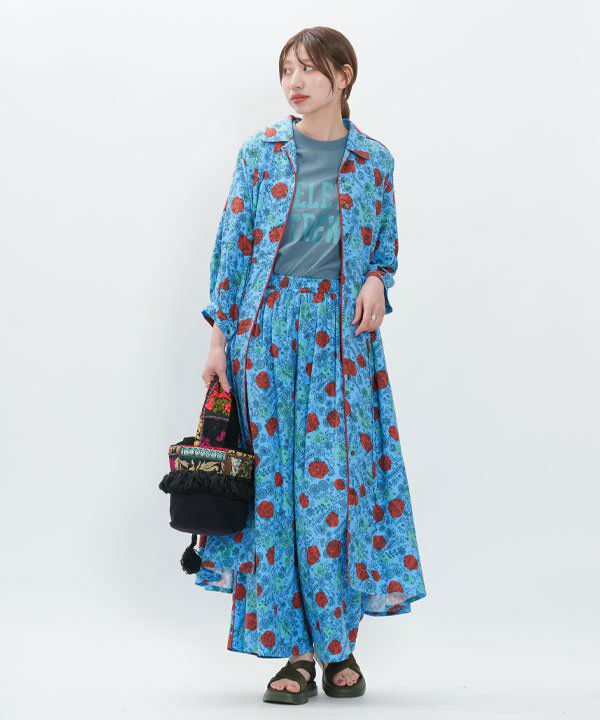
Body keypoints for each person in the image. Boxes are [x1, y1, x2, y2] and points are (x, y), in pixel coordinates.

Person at [198, 26, 427, 704]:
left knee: (335, 495)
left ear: (344, 75)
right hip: (266, 335)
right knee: (276, 496)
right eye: (287, 71)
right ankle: (297, 654)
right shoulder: (261, 152)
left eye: (308, 70)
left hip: (342, 342)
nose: (294, 83)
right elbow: (233, 247)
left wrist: (378, 280)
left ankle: (338, 643)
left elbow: (385, 244)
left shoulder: (374, 161)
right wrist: (218, 343)